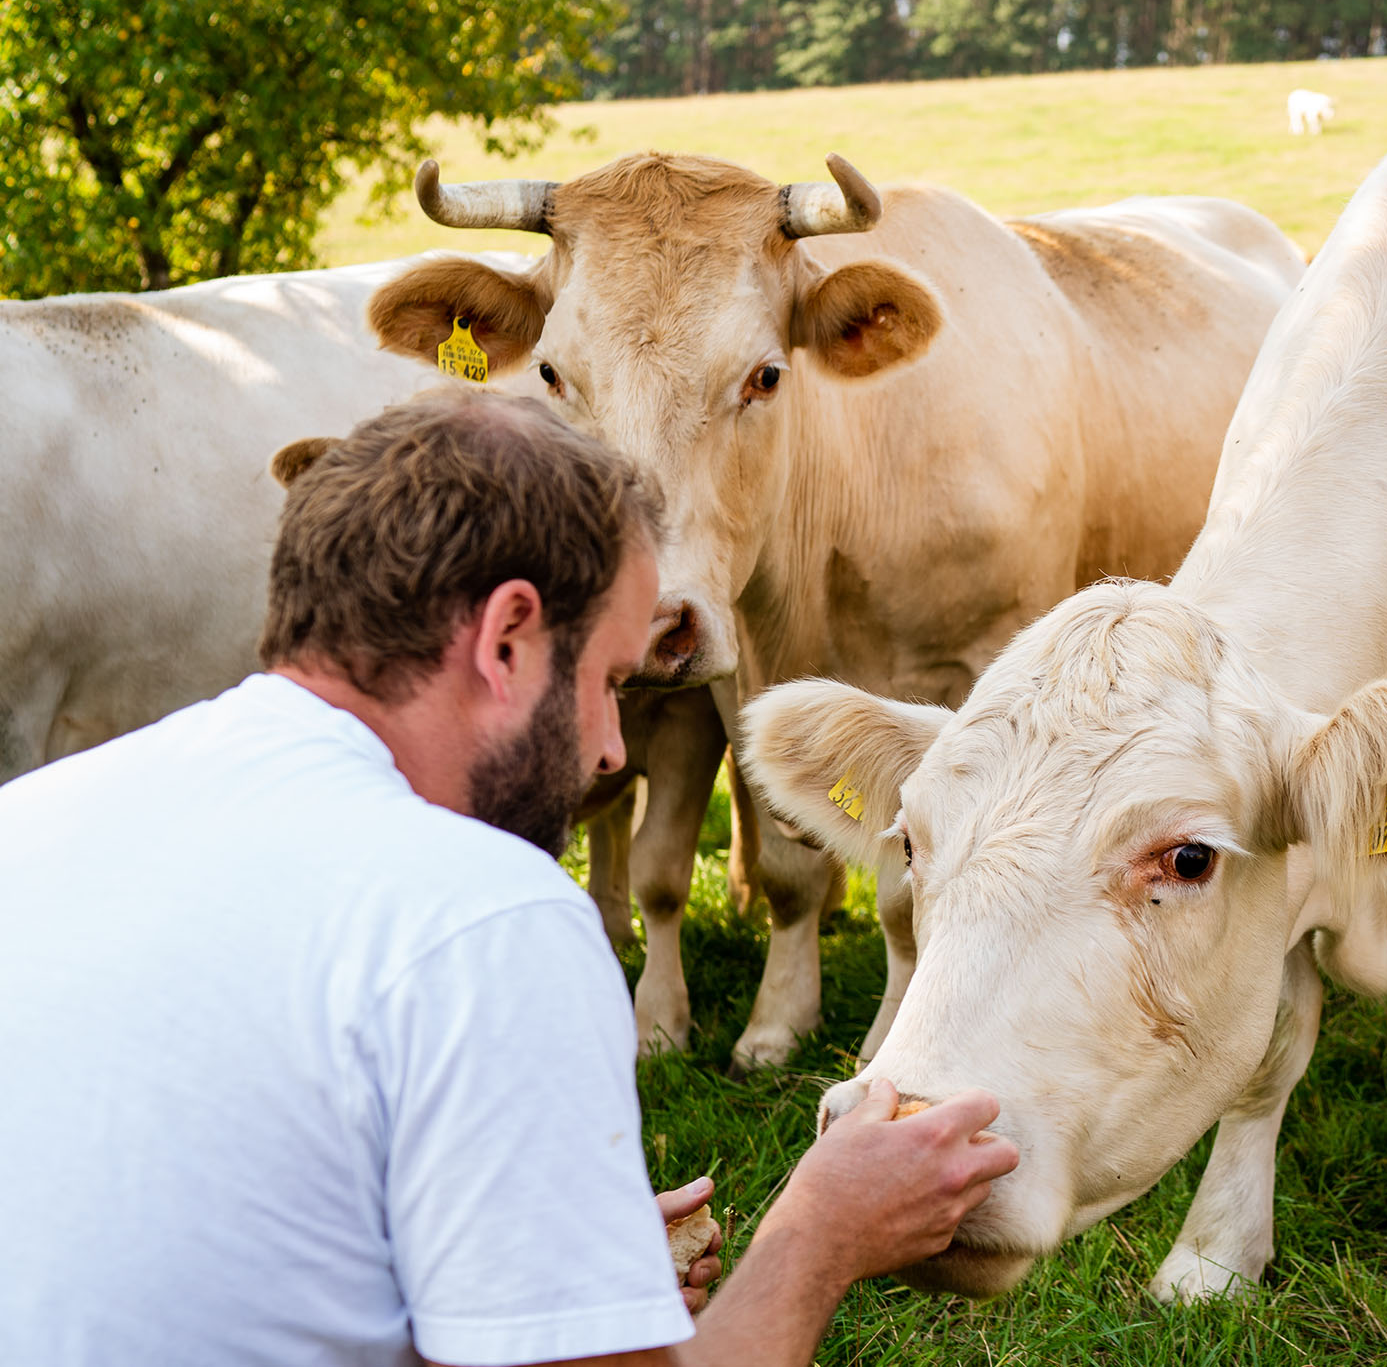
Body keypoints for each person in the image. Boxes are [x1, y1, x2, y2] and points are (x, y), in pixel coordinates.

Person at [0, 389, 1018, 1367]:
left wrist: (542, 1274)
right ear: (506, 639)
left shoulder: (34, 823)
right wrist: (822, 1230)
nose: (613, 749)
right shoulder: (482, 915)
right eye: (609, 683)